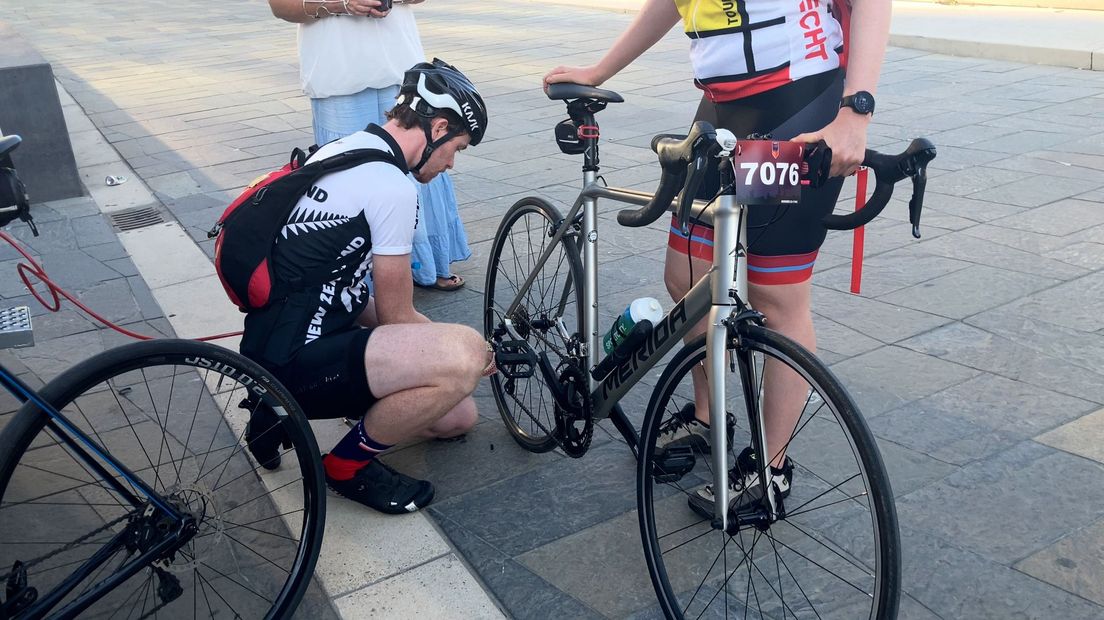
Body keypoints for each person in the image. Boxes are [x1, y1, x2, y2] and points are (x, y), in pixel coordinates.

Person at [544, 0, 890, 509]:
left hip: (798, 107)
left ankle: (771, 467)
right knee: (686, 279)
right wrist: (600, 69)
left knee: (777, 297)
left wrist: (855, 111)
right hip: (720, 107)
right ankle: (707, 418)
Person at [240, 60, 493, 515]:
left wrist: (437, 351)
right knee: (464, 357)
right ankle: (344, 467)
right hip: (300, 361)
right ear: (436, 128)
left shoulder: (344, 148)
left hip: (272, 342)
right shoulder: (392, 186)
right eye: (456, 148)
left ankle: (271, 410)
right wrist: (466, 354)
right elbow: (398, 317)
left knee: (458, 414)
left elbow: (336, 282)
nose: (451, 162)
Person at [268, 0, 472, 292]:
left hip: (400, 67)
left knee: (420, 160)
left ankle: (427, 264)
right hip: (337, 74)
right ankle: (354, 281)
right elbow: (281, 6)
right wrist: (342, 4)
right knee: (349, 178)